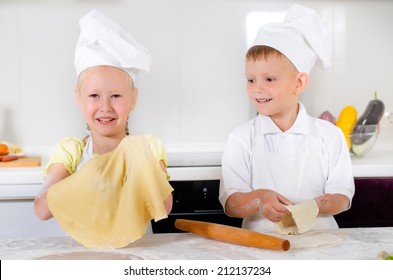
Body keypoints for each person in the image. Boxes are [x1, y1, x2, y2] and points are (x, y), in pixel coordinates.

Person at [219, 3, 355, 234]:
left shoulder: (329, 135)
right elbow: (232, 204)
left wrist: (322, 204)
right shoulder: (241, 138)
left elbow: (343, 195)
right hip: (261, 246)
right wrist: (259, 199)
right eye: (251, 80)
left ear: (299, 82)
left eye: (269, 79)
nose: (257, 89)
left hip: (320, 244)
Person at [34, 10, 173, 222]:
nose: (105, 107)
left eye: (115, 95)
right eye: (94, 95)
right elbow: (42, 210)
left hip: (135, 252)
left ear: (133, 98)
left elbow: (163, 207)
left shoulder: (147, 148)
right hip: (82, 253)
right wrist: (87, 179)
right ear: (79, 98)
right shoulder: (71, 153)